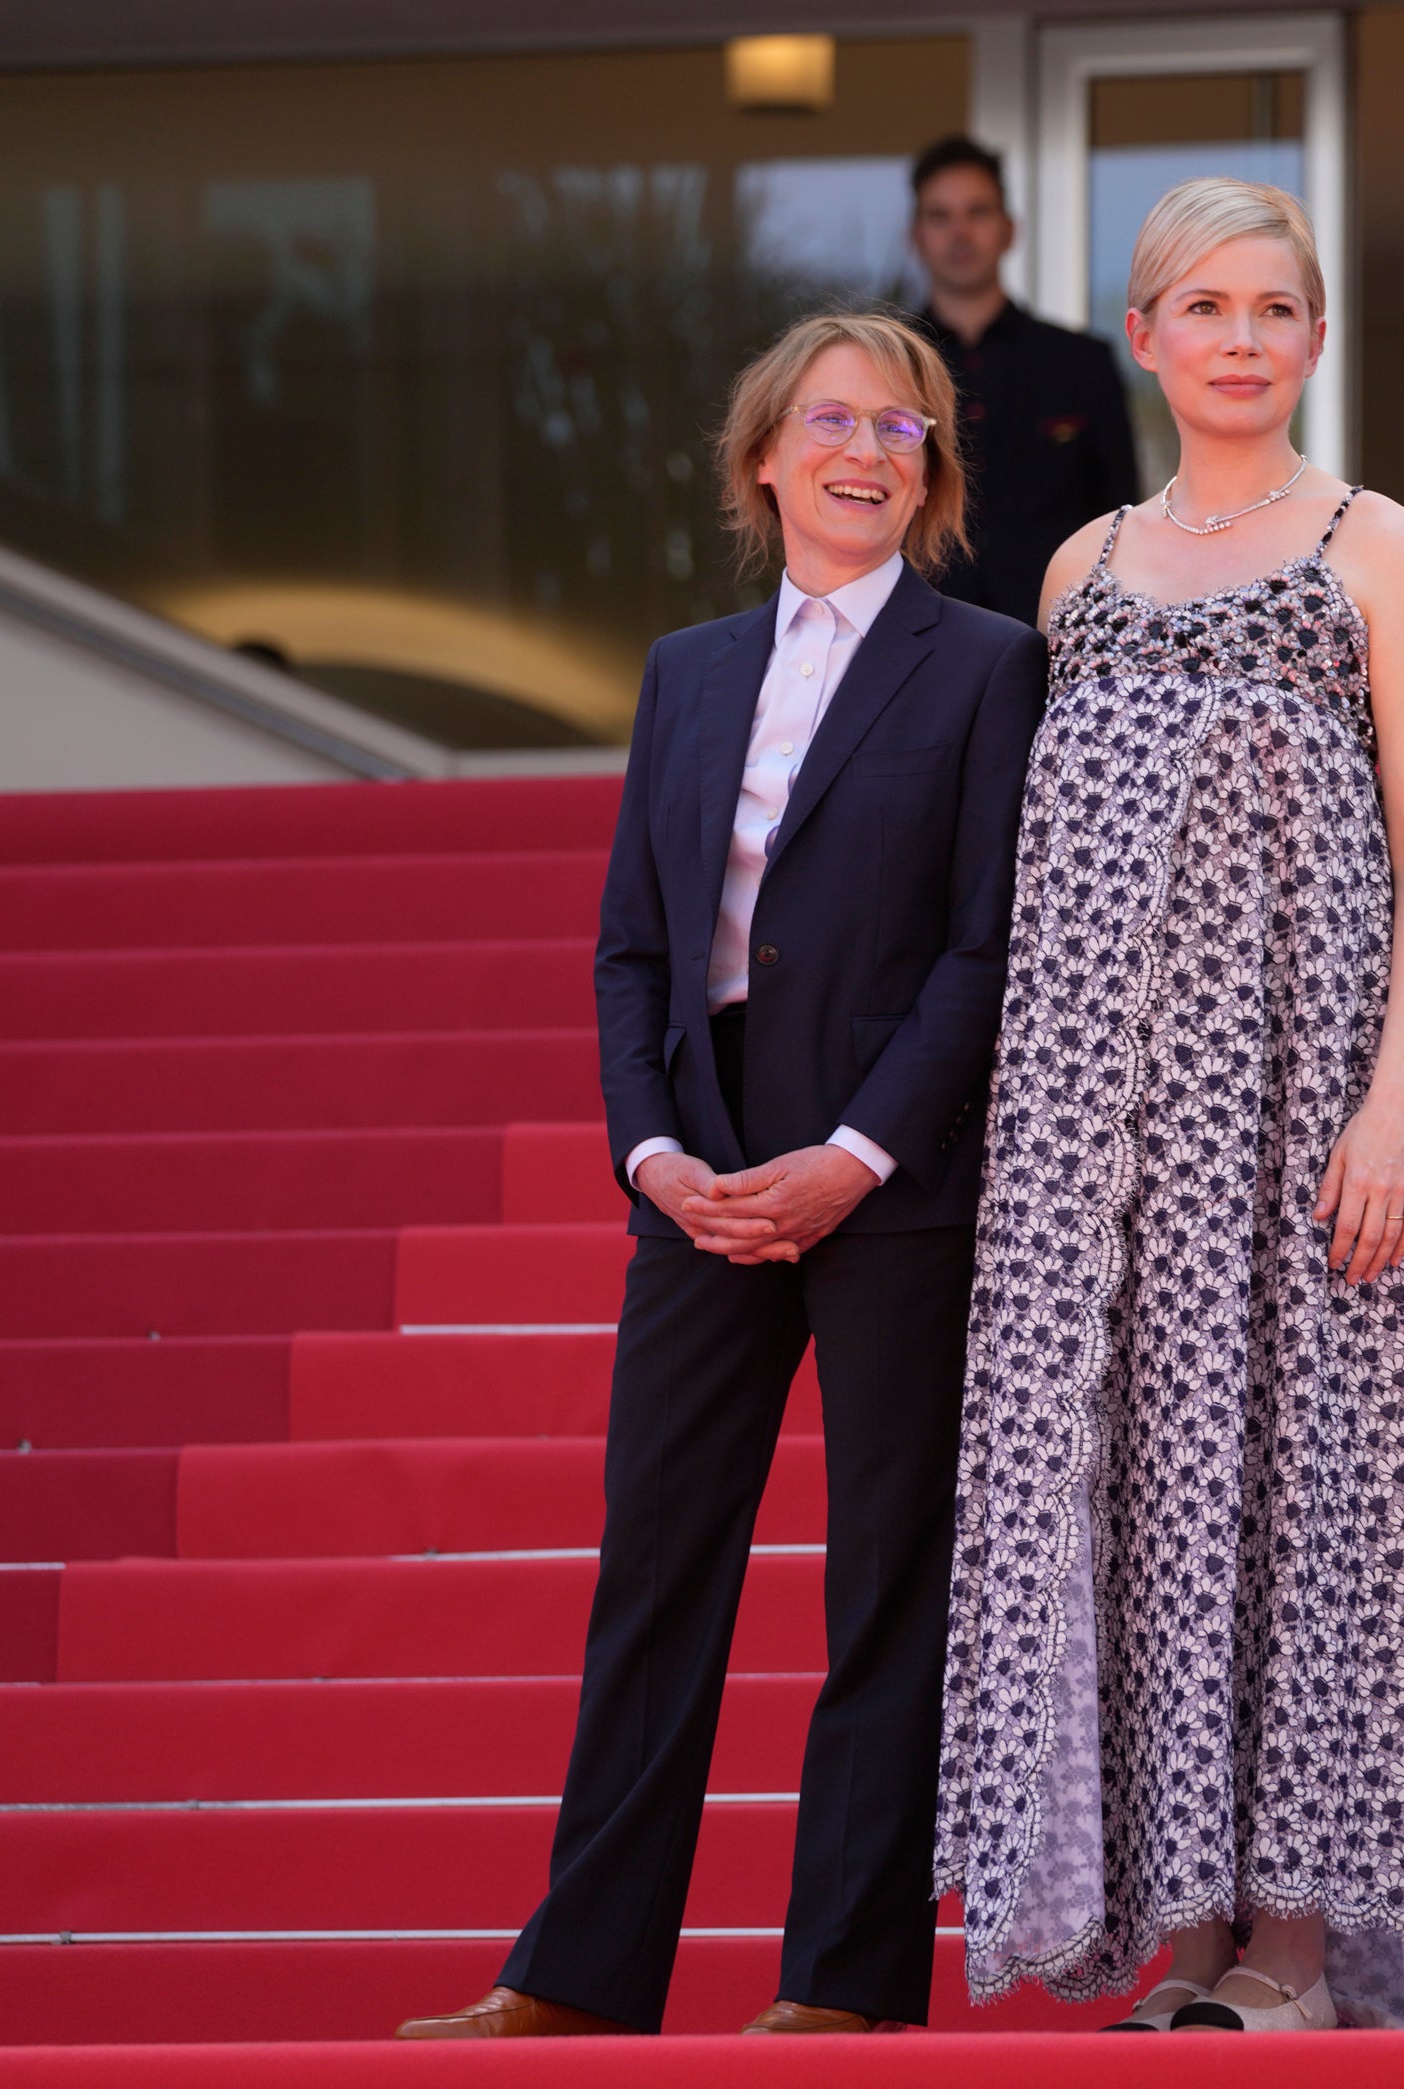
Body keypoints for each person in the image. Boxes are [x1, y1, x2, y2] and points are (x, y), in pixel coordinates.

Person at [933, 176, 1404, 2033]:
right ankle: (1186, 1919)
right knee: (1143, 1497)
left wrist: (1394, 1100)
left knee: (1313, 1489)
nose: (1235, 337)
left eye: (1270, 308)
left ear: (1311, 338)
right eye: (1199, 306)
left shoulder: (1378, 543)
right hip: (1098, 1135)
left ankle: (1294, 1931)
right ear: (1141, 336)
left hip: (1305, 1106)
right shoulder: (1077, 570)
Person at [395, 310, 1047, 2039]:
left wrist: (851, 1152)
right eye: (830, 419)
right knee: (658, 1562)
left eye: (901, 429)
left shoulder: (986, 662)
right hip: (698, 1179)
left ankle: (840, 1981)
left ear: (933, 471)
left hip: (887, 1179)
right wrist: (654, 1146)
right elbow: (631, 948)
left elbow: (988, 947)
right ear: (764, 456)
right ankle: (573, 1973)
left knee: (885, 1574)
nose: (864, 449)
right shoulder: (685, 672)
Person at [906, 136, 1141, 626]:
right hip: (914, 633)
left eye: (978, 212)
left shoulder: (1081, 363)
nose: (960, 233)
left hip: (1055, 638)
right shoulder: (887, 366)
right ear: (916, 235)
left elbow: (1122, 520)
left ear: (1010, 230)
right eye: (940, 216)